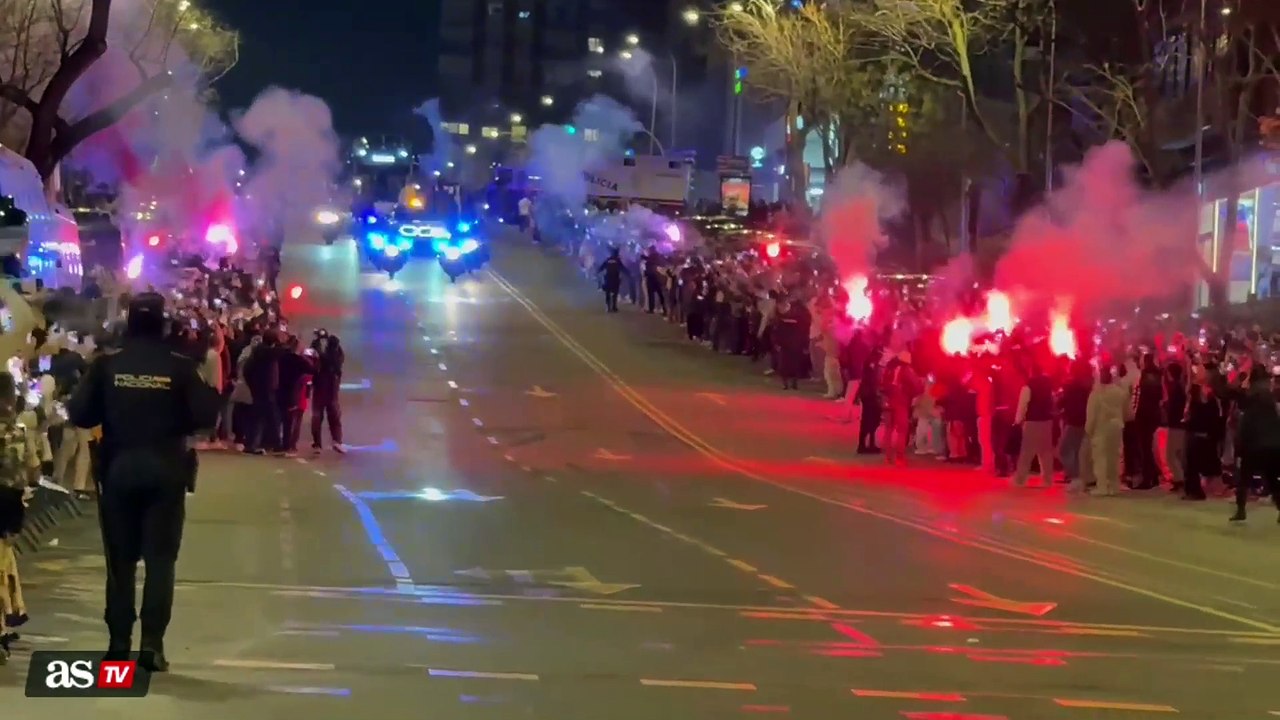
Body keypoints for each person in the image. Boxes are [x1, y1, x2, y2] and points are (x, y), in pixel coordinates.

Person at [66, 292, 220, 671]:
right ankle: (152, 644)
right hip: (166, 472)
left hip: (119, 471)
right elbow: (206, 414)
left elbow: (80, 414)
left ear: (128, 324)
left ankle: (119, 643)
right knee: (160, 562)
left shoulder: (106, 367)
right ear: (164, 324)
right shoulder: (181, 368)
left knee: (120, 563)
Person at [310, 332, 345, 453]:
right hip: (332, 393)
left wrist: (318, 339)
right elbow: (339, 351)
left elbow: (315, 351)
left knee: (317, 418)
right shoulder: (339, 358)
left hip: (320, 391)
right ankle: (337, 441)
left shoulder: (323, 358)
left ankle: (317, 444)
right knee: (335, 418)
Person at [597, 248, 628, 313]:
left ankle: (608, 307)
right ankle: (614, 307)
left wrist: (597, 272)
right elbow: (623, 268)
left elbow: (601, 267)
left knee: (607, 293)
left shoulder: (607, 260)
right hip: (615, 278)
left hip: (608, 278)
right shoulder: (618, 260)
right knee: (615, 293)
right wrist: (629, 274)